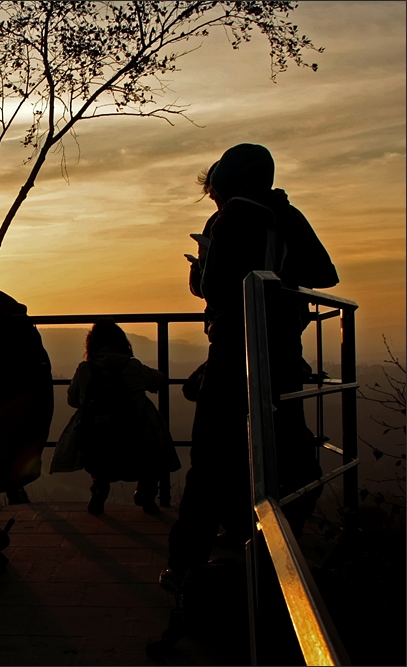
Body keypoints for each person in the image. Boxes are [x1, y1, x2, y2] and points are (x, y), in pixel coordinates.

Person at [162, 144, 338, 590]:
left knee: (210, 458)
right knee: (288, 454)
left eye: (214, 189)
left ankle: (186, 565)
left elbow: (218, 290)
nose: (214, 198)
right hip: (281, 351)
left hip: (232, 353)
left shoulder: (229, 219)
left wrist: (200, 270)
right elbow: (325, 272)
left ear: (224, 182)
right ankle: (270, 548)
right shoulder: (285, 214)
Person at [64, 319, 180, 515]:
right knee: (151, 424)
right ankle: (147, 492)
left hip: (97, 449)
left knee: (96, 436)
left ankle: (99, 490)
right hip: (135, 445)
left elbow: (72, 400)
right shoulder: (133, 367)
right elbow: (159, 380)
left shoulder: (85, 370)